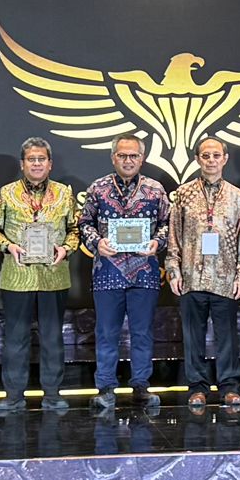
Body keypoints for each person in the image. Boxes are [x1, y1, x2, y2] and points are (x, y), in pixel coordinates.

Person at [78, 134, 170, 410]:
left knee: (142, 332)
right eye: (122, 155)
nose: (128, 160)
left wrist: (158, 242)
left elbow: (168, 224)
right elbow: (84, 223)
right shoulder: (98, 188)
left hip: (145, 272)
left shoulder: (155, 189)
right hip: (108, 271)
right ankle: (106, 387)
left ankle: (141, 385)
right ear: (113, 158)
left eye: (133, 156)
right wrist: (97, 242)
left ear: (142, 158)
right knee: (107, 332)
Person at [0, 137, 78, 413]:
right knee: (16, 338)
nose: (36, 164)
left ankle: (52, 394)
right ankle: (14, 396)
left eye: (41, 159)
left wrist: (65, 249)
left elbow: (75, 230)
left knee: (52, 338)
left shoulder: (64, 193)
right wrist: (8, 246)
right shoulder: (6, 193)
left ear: (50, 164)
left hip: (54, 275)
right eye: (31, 159)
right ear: (22, 164)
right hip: (17, 276)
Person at [165, 137, 240, 409]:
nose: (211, 160)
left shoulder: (237, 196)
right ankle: (197, 387)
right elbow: (174, 234)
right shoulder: (183, 193)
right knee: (193, 336)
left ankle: (229, 387)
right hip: (192, 275)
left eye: (216, 155)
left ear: (225, 158)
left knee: (227, 336)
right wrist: (173, 269)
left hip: (225, 277)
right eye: (205, 155)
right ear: (197, 159)